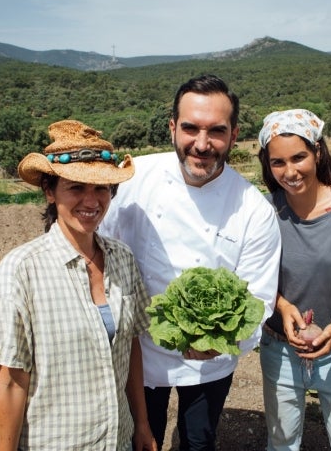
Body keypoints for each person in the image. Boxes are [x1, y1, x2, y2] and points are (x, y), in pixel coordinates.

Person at [100, 74, 281, 450]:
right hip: (137, 352)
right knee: (137, 438)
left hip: (207, 362)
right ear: (172, 128)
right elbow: (97, 248)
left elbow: (259, 298)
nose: (202, 144)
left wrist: (217, 342)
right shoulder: (133, 181)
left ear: (233, 135)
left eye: (216, 131)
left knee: (198, 440)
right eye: (190, 128)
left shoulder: (253, 209)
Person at [0, 120, 157, 451]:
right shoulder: (21, 271)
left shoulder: (122, 258)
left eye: (101, 188)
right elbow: (9, 381)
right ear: (50, 192)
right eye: (76, 187)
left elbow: (130, 347)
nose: (91, 201)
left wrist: (142, 424)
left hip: (118, 439)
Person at [257, 109, 331, 451]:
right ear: (268, 164)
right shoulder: (265, 212)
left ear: (318, 152)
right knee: (282, 444)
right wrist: (281, 304)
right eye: (278, 162)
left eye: (299, 157)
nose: (290, 172)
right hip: (280, 347)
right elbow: (253, 276)